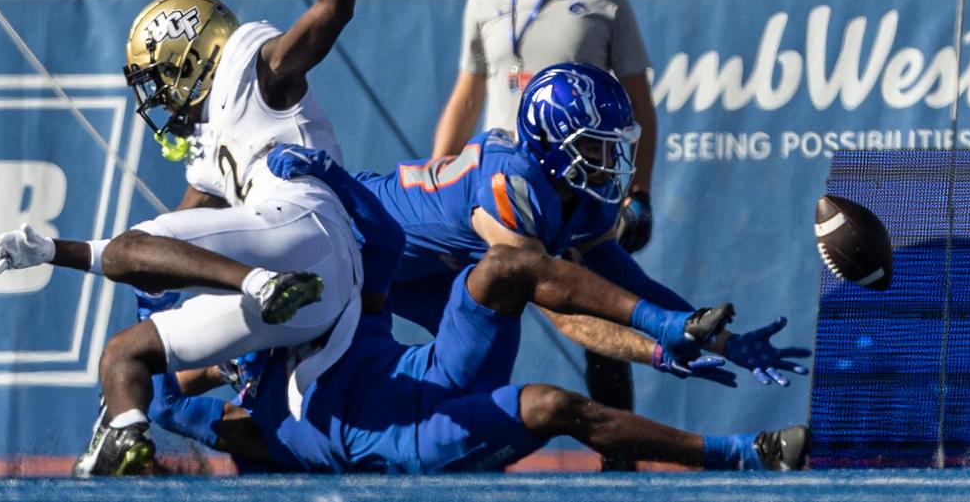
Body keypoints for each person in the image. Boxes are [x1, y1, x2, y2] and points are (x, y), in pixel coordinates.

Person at [0, 0, 370, 477]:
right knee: (124, 354)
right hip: (306, 290)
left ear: (189, 59)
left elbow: (330, 13)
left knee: (144, 254)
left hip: (305, 228)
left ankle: (254, 285)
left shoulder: (255, 70)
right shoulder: (210, 144)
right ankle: (128, 438)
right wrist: (52, 250)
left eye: (160, 81)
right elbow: (154, 250)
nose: (160, 100)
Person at [147, 146, 811, 474]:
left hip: (425, 366)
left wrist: (329, 175)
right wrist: (147, 393)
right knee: (551, 403)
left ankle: (669, 329)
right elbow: (189, 403)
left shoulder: (319, 300)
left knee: (500, 269)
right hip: (401, 437)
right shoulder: (253, 406)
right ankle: (738, 452)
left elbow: (379, 243)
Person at [272, 64, 810, 422]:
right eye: (596, 149)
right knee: (292, 361)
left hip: (428, 273)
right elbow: (564, 310)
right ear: (553, 143)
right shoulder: (514, 182)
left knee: (466, 391)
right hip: (357, 236)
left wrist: (723, 341)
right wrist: (657, 345)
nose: (610, 164)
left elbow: (630, 284)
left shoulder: (581, 194)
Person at [430, 0, 660, 466]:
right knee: (476, 314)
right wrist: (439, 163)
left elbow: (639, 105)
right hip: (496, 190)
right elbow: (466, 94)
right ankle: (462, 443)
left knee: (599, 318)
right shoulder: (483, 1)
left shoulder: (605, 1)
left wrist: (638, 190)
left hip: (574, 193)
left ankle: (622, 459)